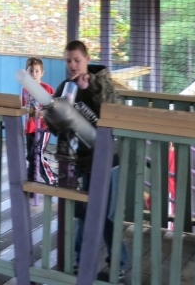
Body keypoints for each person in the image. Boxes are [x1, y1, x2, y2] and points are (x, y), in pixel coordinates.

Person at [53, 40, 126, 279]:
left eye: (77, 60)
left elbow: (115, 108)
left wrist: (91, 85)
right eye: (68, 61)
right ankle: (77, 261)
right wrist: (52, 118)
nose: (73, 65)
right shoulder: (65, 87)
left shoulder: (102, 82)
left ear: (86, 59)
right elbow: (55, 123)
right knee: (84, 212)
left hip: (106, 159)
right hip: (80, 159)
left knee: (106, 214)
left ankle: (119, 264)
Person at [21, 57, 55, 204]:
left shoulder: (47, 89)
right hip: (30, 128)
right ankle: (31, 183)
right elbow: (24, 107)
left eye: (36, 71)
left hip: (43, 128)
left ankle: (51, 180)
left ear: (42, 73)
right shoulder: (25, 90)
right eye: (31, 71)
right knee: (31, 156)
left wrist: (45, 113)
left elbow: (53, 107)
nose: (34, 74)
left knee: (37, 154)